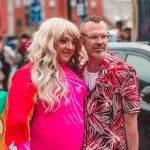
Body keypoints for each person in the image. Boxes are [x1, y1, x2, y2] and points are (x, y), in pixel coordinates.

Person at [5, 17, 87, 150]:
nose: (70, 47)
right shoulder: (29, 73)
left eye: (73, 42)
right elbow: (16, 121)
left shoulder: (74, 71)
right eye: (63, 40)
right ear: (49, 41)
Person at [78, 15, 140, 150]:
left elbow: (131, 122)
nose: (100, 41)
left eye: (104, 36)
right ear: (81, 40)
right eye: (93, 37)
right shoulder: (77, 73)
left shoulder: (124, 71)